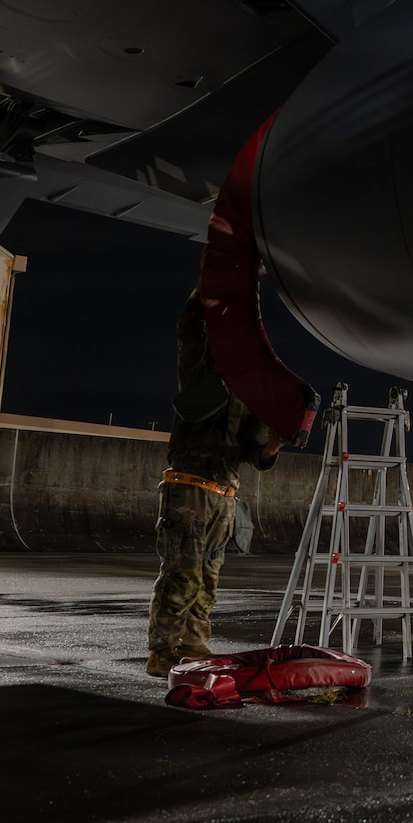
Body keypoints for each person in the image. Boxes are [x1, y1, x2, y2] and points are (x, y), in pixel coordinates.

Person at [144, 288, 283, 676]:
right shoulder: (201, 373)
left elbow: (257, 456)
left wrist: (274, 444)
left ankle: (193, 646)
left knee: (206, 581)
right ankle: (162, 652)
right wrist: (207, 287)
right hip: (189, 487)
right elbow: (189, 329)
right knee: (181, 573)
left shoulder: (254, 396)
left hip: (224, 497)